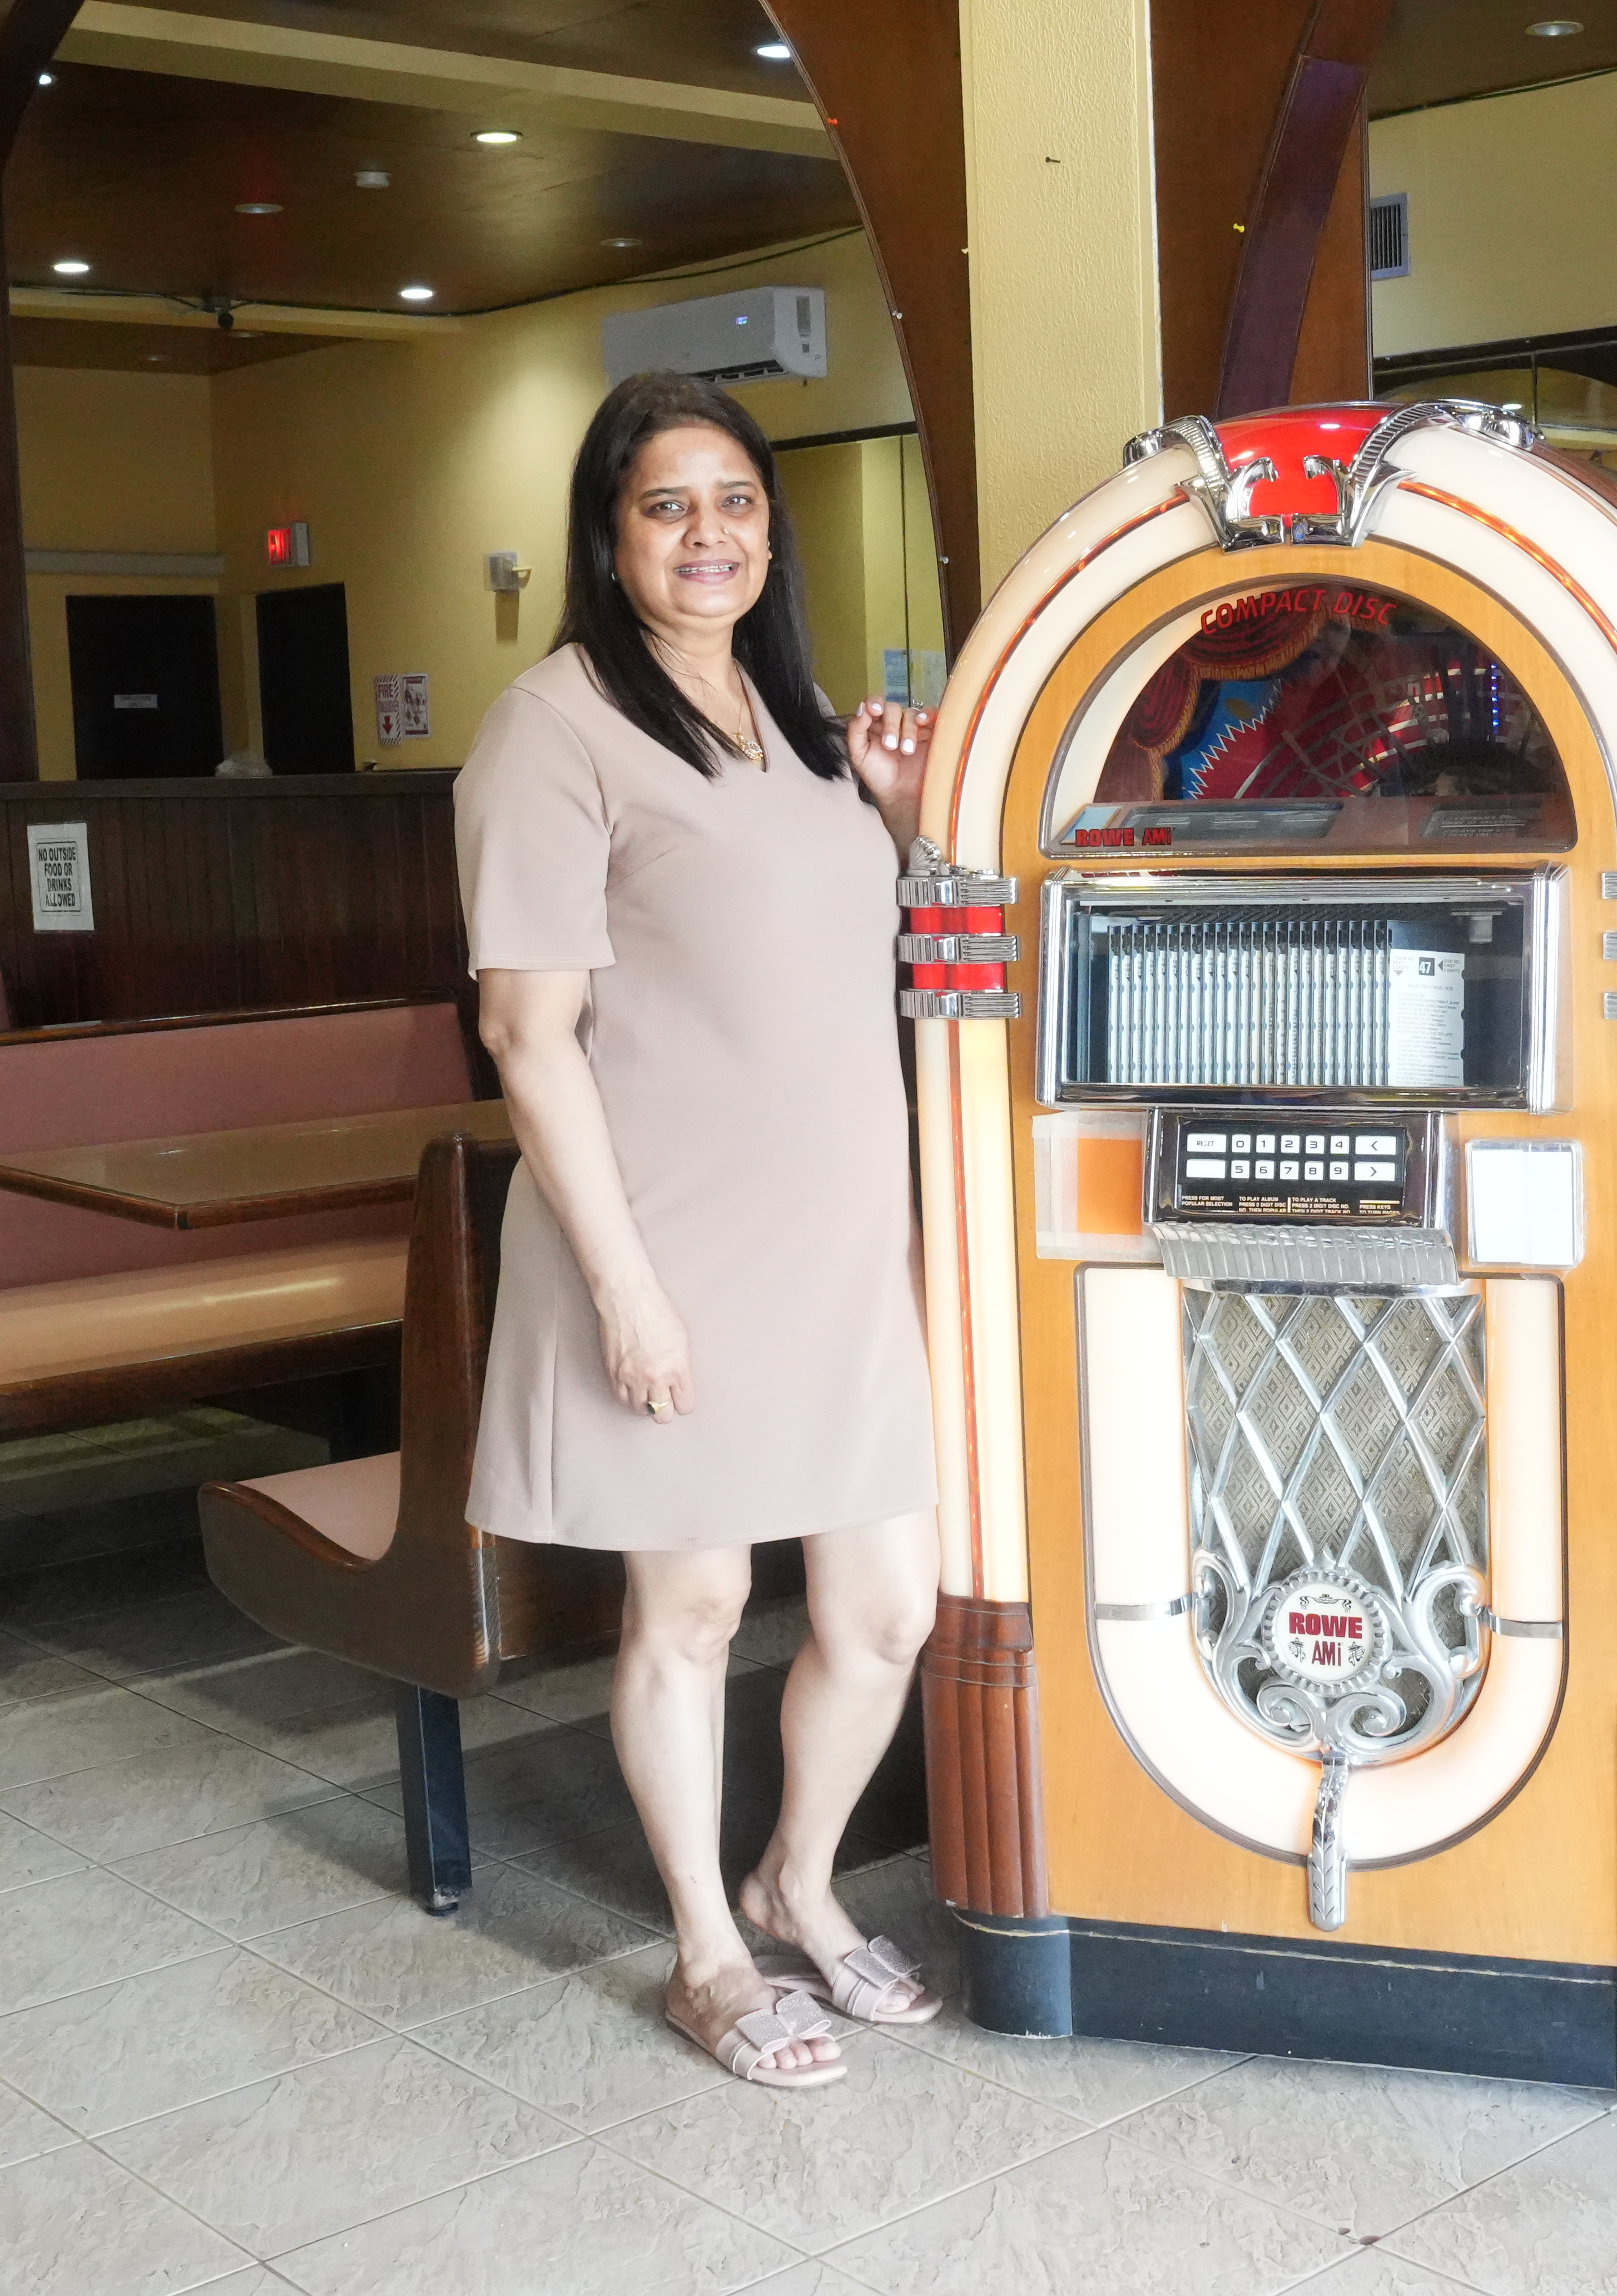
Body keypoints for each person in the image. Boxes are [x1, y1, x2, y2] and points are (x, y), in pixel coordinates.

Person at [454, 371, 943, 2092]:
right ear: (609, 533)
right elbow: (527, 1032)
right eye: (667, 505)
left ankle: (796, 1873)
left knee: (887, 1605)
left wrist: (897, 817)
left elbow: (862, 963)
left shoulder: (801, 713)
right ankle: (710, 1951)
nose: (706, 535)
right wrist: (625, 1291)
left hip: (844, 1244)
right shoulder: (556, 723)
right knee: (697, 1603)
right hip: (670, 1240)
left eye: (733, 500)